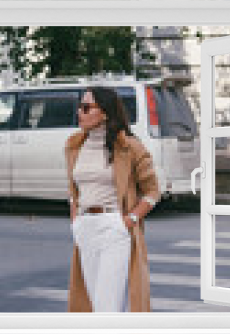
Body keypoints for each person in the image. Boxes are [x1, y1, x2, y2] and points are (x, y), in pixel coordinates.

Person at [64, 85, 161, 312]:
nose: (80, 112)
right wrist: (76, 222)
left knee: (107, 307)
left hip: (113, 228)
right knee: (91, 305)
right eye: (79, 107)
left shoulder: (129, 147)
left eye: (87, 107)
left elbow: (152, 191)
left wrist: (129, 221)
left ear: (105, 112)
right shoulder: (74, 145)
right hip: (85, 228)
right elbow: (73, 191)